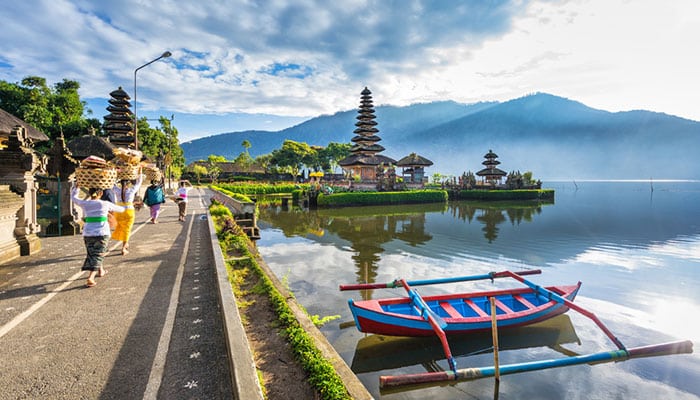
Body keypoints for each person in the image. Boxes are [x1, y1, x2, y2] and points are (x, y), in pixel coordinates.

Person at [72, 185, 125, 287]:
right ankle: (91, 277)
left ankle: (101, 270)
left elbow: (74, 198)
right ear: (101, 193)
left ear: (89, 193)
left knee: (92, 253)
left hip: (88, 232)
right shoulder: (105, 204)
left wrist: (77, 188)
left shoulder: (85, 203)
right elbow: (121, 209)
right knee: (99, 254)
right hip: (102, 232)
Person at [111, 169, 143, 255]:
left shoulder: (117, 190)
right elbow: (139, 182)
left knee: (122, 227)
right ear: (128, 183)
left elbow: (111, 183)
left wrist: (115, 173)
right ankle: (124, 247)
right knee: (127, 229)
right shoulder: (131, 190)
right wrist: (140, 172)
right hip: (128, 211)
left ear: (120, 183)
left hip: (118, 211)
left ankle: (125, 243)